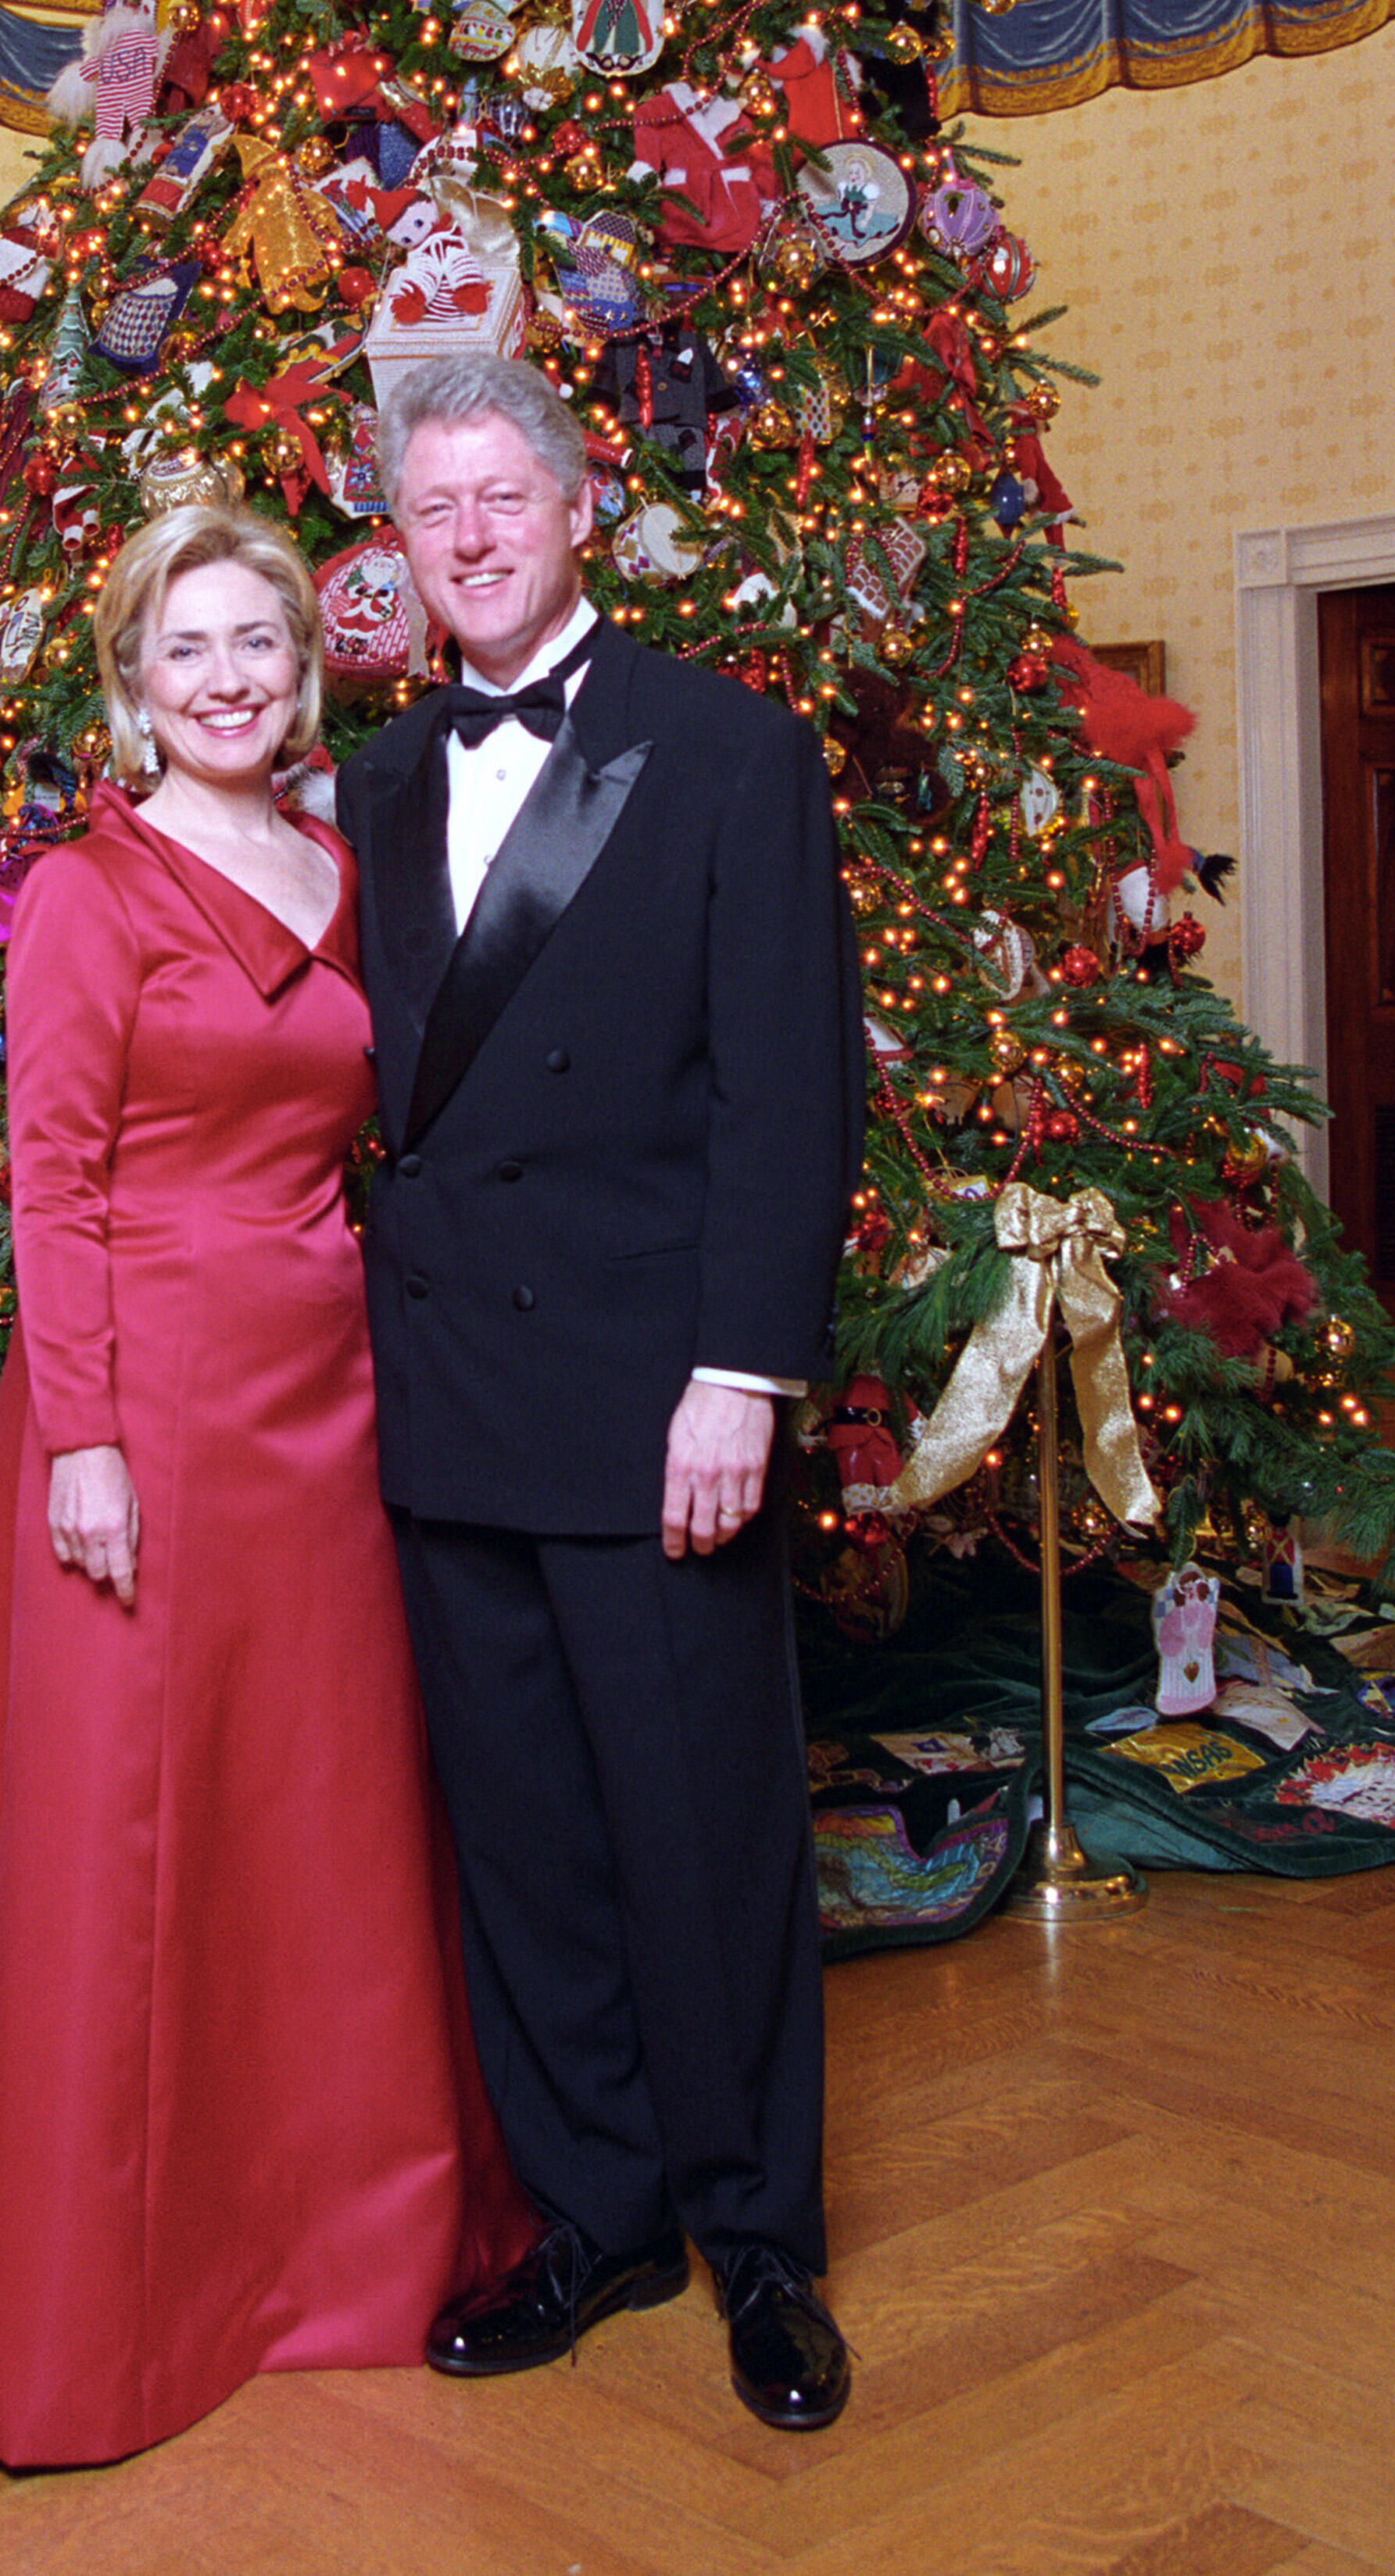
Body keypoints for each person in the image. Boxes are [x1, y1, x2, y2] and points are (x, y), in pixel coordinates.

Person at [0, 501, 528, 2468]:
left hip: (330, 1392)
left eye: (263, 648)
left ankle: (334, 2249)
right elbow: (57, 1184)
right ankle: (112, 2296)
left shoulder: (337, 864)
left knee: (316, 1817)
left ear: (307, 673)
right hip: (143, 1400)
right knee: (139, 1831)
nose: (231, 680)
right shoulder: (85, 894)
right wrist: (95, 1442)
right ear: (131, 685)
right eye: (192, 649)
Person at [337, 355, 866, 2435]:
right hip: (448, 1384)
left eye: (499, 496)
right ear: (398, 537)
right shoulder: (373, 779)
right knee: (527, 1839)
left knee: (699, 1829)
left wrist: (739, 1369)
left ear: (576, 506)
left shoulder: (722, 746)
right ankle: (592, 2211)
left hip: (658, 1393)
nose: (466, 534)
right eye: (429, 506)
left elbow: (783, 1085)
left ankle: (754, 2238)